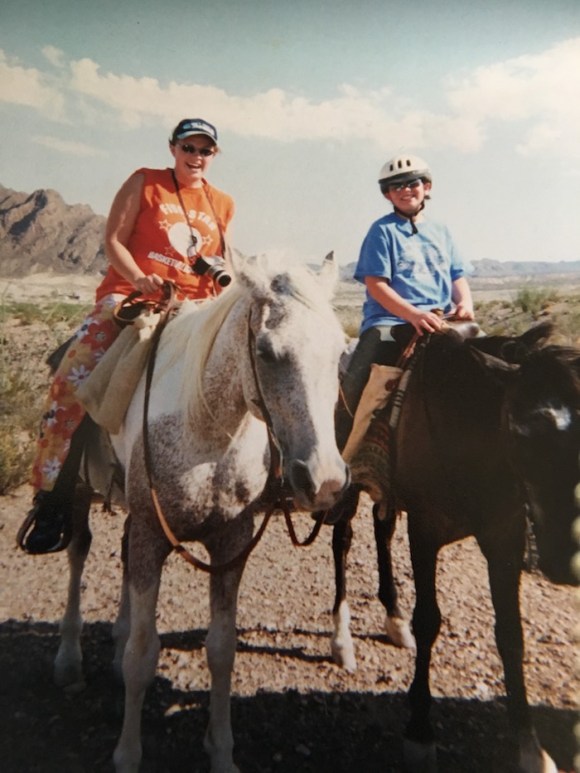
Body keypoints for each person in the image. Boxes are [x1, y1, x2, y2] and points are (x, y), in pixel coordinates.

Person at [18, 117, 235, 554]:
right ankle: (53, 499)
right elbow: (113, 241)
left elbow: (219, 259)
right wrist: (140, 280)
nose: (196, 157)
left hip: (194, 307)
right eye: (188, 148)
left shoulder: (222, 203)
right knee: (71, 383)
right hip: (129, 299)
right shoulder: (145, 181)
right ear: (172, 148)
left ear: (215, 155)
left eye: (204, 150)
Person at [330, 153, 474, 519]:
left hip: (440, 320)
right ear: (387, 195)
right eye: (396, 186)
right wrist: (411, 314)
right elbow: (376, 285)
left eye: (413, 183)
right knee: (355, 383)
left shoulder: (441, 231)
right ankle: (335, 475)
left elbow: (457, 276)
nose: (406, 190)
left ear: (427, 188)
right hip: (389, 321)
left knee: (488, 363)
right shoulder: (382, 231)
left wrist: (465, 303)